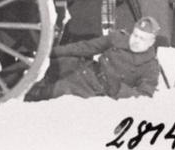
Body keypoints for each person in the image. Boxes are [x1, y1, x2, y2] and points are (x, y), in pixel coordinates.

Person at [26, 16, 161, 101]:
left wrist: (119, 90)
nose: (136, 41)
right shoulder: (118, 38)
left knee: (57, 89)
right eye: (135, 35)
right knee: (56, 64)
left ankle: (22, 101)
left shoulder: (151, 66)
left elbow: (144, 96)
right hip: (89, 70)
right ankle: (12, 82)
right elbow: (87, 47)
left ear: (151, 43)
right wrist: (51, 52)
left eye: (142, 38)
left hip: (98, 89)